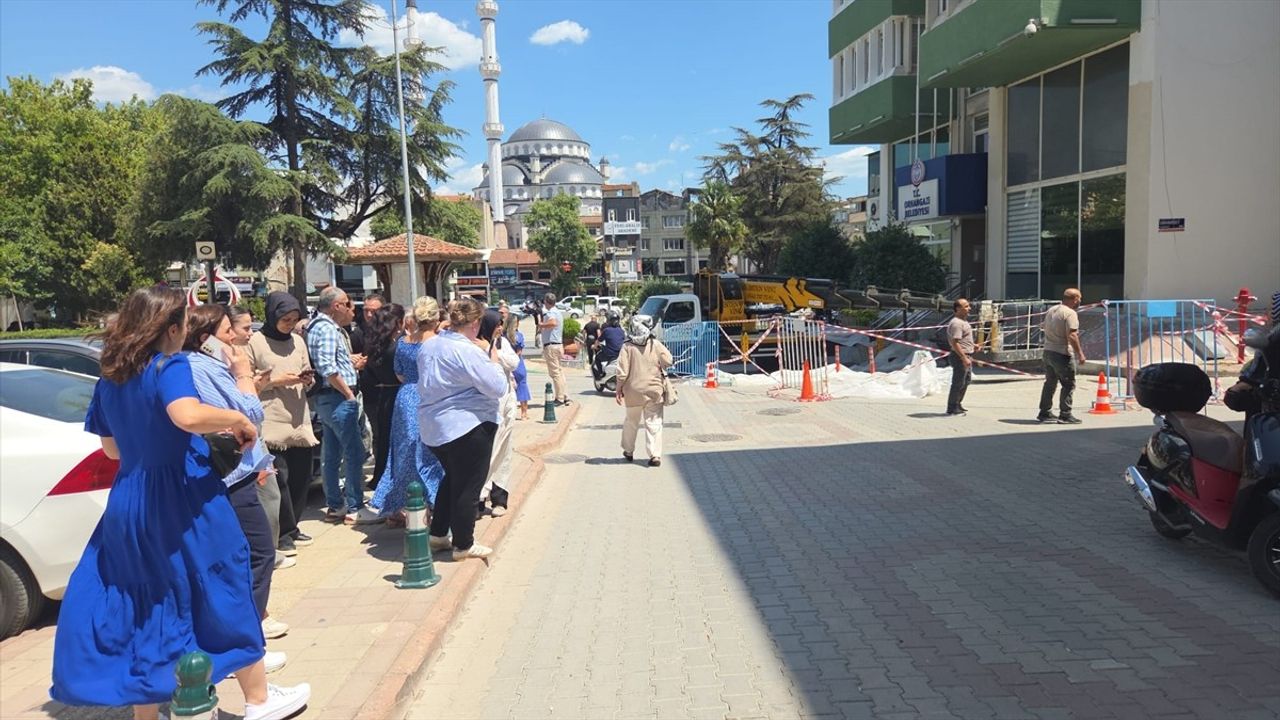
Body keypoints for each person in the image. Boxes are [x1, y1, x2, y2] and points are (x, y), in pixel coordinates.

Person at [51, 286, 309, 720]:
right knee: (224, 584)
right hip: (184, 493)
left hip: (130, 499)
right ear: (170, 328)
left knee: (147, 600)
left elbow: (112, 451)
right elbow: (186, 415)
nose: (188, 330)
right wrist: (236, 418)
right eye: (185, 323)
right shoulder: (169, 366)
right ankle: (259, 701)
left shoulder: (111, 377)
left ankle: (148, 713)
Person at [181, 304, 290, 659]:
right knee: (258, 553)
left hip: (243, 468)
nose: (236, 339)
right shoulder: (202, 368)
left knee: (252, 553)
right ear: (206, 340)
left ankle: (247, 633)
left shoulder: (208, 366)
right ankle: (247, 641)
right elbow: (251, 414)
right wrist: (243, 375)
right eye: (228, 332)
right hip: (232, 477)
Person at [420, 298, 508, 561]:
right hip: (467, 426)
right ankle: (463, 543)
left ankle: (438, 534)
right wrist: (492, 360)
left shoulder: (430, 345)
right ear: (476, 322)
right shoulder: (467, 351)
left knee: (452, 479)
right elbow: (498, 386)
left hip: (434, 427)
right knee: (469, 486)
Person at [246, 292, 318, 560]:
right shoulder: (256, 342)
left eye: (294, 319)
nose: (289, 324)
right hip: (271, 416)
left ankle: (293, 525)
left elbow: (306, 368)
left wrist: (307, 379)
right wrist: (277, 381)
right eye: (284, 319)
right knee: (281, 478)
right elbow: (248, 379)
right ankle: (283, 532)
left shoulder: (298, 341)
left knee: (301, 476)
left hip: (298, 416)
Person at [370, 297, 447, 525]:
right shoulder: (440, 343)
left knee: (403, 451)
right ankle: (432, 501)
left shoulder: (403, 343)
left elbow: (399, 374)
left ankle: (399, 503)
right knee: (432, 451)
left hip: (406, 397)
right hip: (431, 396)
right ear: (436, 318)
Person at [306, 287, 377, 524]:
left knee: (332, 453)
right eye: (348, 304)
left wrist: (350, 362)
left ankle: (336, 504)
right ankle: (354, 505)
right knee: (354, 451)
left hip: (331, 398)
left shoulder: (321, 326)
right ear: (336, 306)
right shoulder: (326, 328)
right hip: (337, 398)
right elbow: (327, 367)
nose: (352, 309)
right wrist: (347, 393)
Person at [478, 307, 520, 518]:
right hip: (484, 407)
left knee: (502, 453)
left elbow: (514, 363)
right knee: (485, 452)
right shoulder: (474, 344)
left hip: (506, 404)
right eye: (497, 325)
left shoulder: (502, 344)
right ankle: (478, 499)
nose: (500, 328)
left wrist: (494, 351)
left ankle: (499, 499)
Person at [615, 316, 673, 467]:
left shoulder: (627, 346)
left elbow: (622, 372)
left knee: (631, 422)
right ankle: (654, 455)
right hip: (654, 390)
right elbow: (669, 361)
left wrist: (618, 389)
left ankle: (628, 451)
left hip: (633, 391)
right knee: (654, 423)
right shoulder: (655, 343)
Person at [365, 304, 405, 491]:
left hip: (383, 396)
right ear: (398, 322)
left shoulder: (373, 346)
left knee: (383, 441)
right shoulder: (397, 347)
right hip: (398, 395)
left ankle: (380, 477)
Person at [1039, 288, 1087, 424]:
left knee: (1050, 383)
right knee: (1068, 384)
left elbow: (1044, 326)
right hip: (1062, 353)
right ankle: (1065, 414)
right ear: (1075, 299)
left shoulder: (1052, 310)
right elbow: (1072, 335)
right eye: (1080, 299)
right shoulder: (1070, 313)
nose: (1080, 302)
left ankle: (1045, 412)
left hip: (1048, 351)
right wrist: (1080, 354)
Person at [539, 292, 570, 406]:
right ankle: (565, 395)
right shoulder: (558, 312)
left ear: (546, 302)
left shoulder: (551, 312)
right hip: (558, 344)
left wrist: (541, 325)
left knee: (555, 373)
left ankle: (560, 398)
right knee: (559, 372)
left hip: (551, 345)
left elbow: (552, 323)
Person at [946, 298, 975, 416]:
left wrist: (974, 345)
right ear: (958, 309)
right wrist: (964, 358)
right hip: (959, 357)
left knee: (966, 380)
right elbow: (955, 342)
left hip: (966, 355)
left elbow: (963, 340)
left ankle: (958, 403)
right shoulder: (957, 323)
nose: (969, 308)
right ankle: (952, 407)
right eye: (966, 306)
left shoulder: (963, 322)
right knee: (958, 382)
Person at [509, 312, 531, 421]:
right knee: (522, 386)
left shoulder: (504, 336)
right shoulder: (519, 336)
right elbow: (519, 351)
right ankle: (524, 413)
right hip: (518, 363)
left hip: (507, 364)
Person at [594, 311, 626, 378]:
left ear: (609, 321)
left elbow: (598, 341)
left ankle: (601, 374)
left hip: (610, 354)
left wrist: (594, 346)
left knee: (597, 358)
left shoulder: (606, 330)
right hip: (621, 354)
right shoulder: (621, 331)